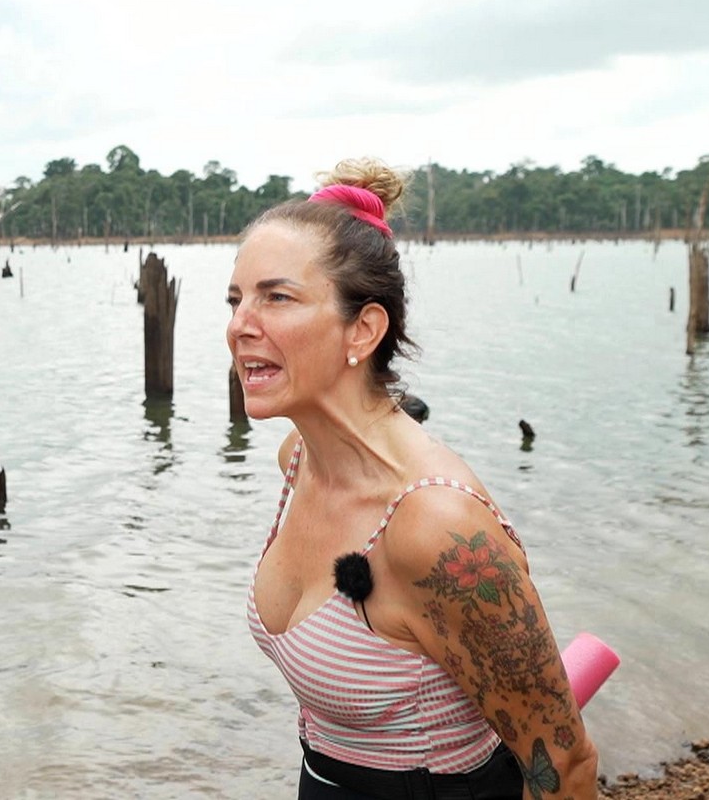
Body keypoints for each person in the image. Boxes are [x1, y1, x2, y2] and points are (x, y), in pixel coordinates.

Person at [229, 158, 598, 799]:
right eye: (236, 300)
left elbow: (564, 766)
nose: (239, 325)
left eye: (276, 297)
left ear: (364, 329)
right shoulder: (297, 459)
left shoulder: (436, 529)